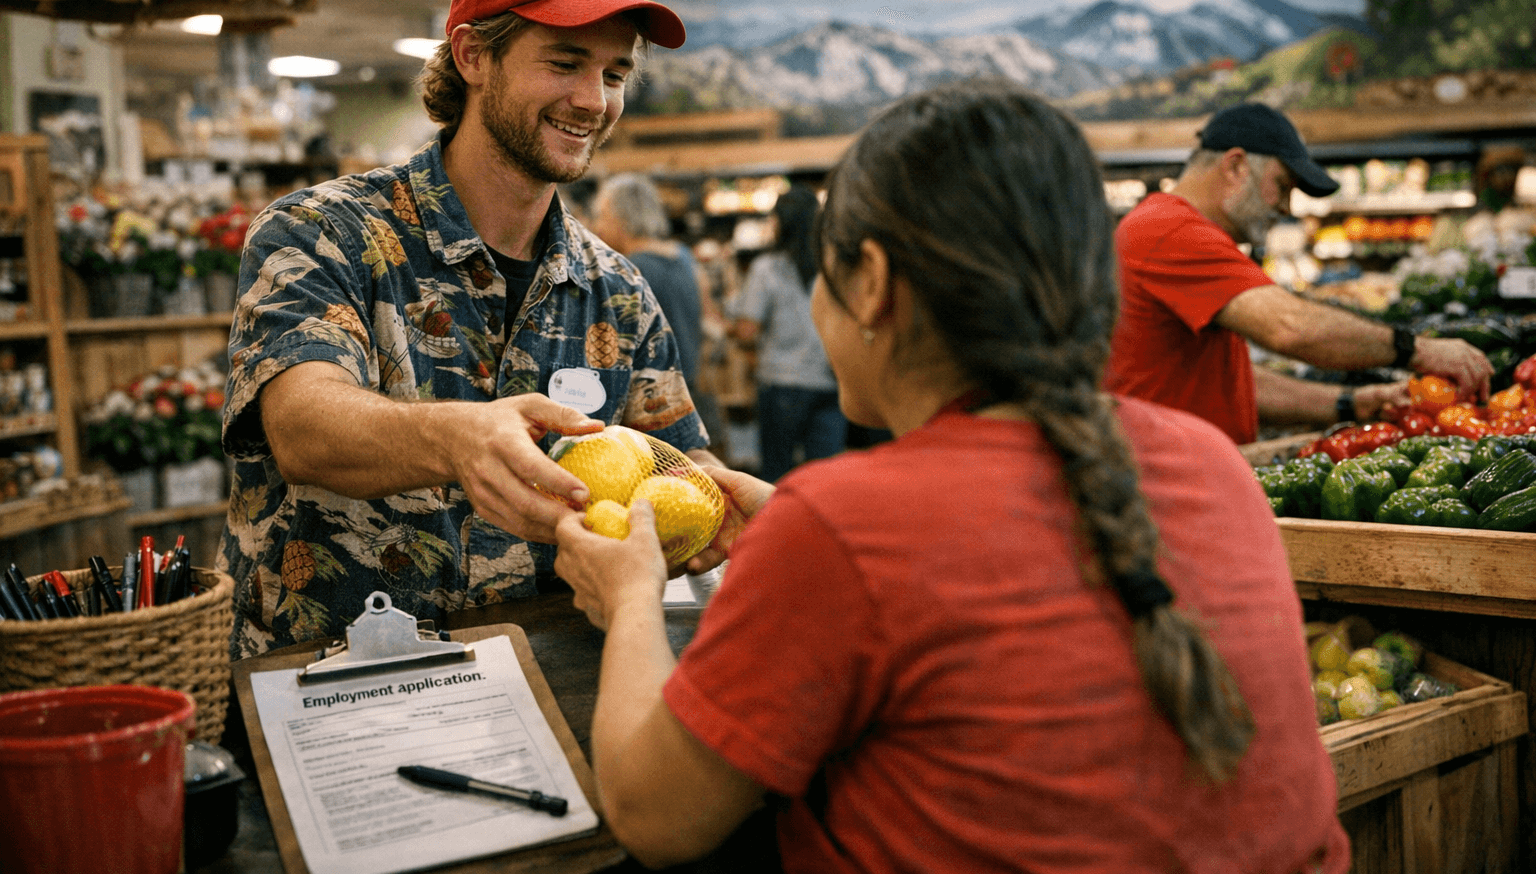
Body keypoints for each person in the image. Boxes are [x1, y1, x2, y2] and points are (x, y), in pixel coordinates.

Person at [552, 80, 1349, 873]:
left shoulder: (843, 528)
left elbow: (653, 817)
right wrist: (795, 530)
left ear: (870, 281)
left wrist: (629, 598)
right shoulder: (1211, 460)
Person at [217, 0, 723, 659]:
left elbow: (672, 463)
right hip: (334, 682)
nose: (594, 100)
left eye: (615, 73)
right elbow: (303, 426)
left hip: (547, 684)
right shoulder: (324, 233)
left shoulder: (616, 290)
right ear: (473, 56)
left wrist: (731, 498)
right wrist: (458, 439)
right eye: (564, 62)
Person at [1105, 102, 1492, 444]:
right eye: (1283, 185)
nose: (1287, 207)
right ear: (1236, 166)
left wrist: (1353, 403)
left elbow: (1232, 384)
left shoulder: (1172, 228)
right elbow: (1290, 327)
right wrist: (1419, 350)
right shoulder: (1169, 230)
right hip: (1165, 481)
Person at [589, 172, 731, 452]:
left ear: (621, 217)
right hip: (693, 393)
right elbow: (711, 319)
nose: (597, 227)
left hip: (653, 406)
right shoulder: (684, 256)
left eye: (602, 216)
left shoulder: (628, 272)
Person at [732, 184, 845, 481]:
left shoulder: (767, 268)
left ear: (781, 222)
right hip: (830, 381)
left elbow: (747, 331)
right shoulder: (834, 264)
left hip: (781, 381)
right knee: (825, 478)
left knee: (776, 477)